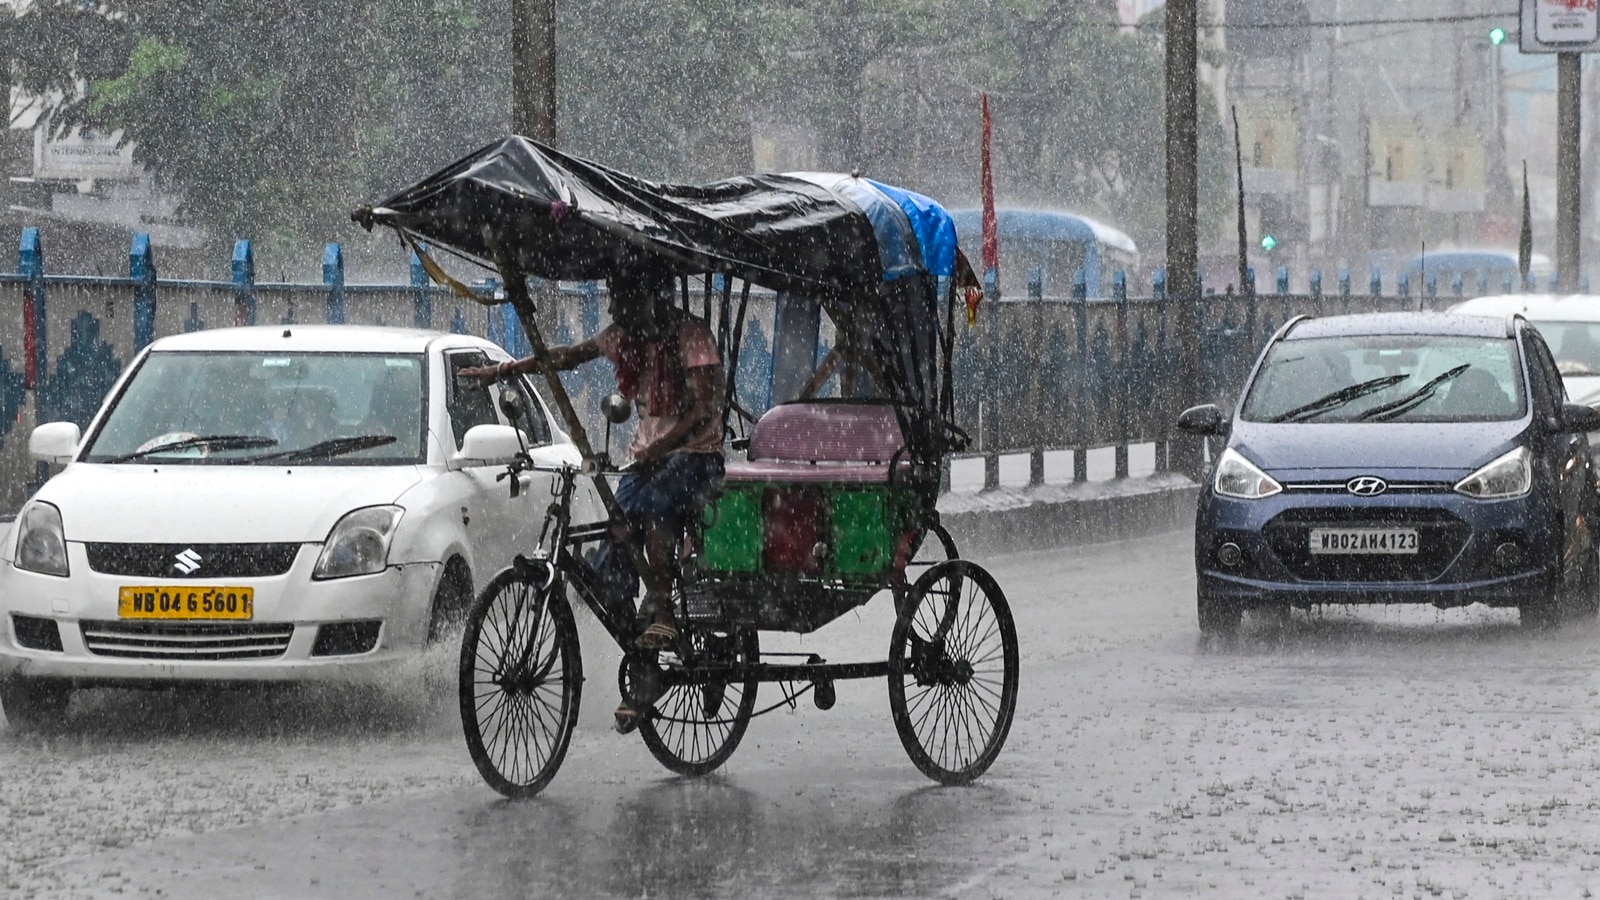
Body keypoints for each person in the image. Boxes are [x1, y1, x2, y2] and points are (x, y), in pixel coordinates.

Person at [460, 269, 726, 731]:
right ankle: (640, 647)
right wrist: (502, 370)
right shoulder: (625, 337)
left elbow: (705, 407)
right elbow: (565, 356)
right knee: (618, 529)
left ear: (653, 299)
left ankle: (662, 609)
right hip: (647, 460)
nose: (617, 315)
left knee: (656, 509)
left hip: (696, 457)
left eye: (626, 305)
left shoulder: (691, 334)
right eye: (616, 307)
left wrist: (661, 449)